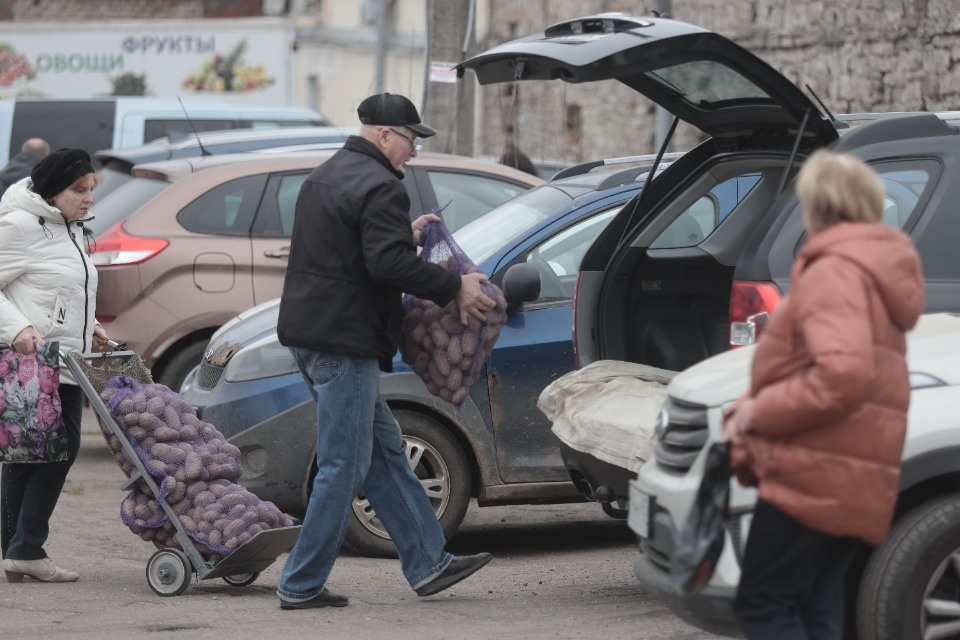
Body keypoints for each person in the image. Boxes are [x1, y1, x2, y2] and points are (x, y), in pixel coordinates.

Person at [274, 93, 494, 609]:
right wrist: (453, 287)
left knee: (385, 455)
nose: (414, 151)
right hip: (343, 342)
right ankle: (300, 583)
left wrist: (404, 234)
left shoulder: (327, 174)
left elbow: (352, 249)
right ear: (383, 135)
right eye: (411, 139)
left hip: (312, 334)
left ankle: (428, 563)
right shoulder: (379, 186)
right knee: (344, 465)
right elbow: (386, 268)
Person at [722, 150, 925, 639]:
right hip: (852, 470)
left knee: (764, 604)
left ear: (818, 202)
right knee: (815, 605)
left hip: (814, 472)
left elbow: (843, 374)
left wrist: (756, 413)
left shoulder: (837, 271)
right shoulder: (874, 268)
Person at [0, 148, 112, 583]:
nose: (88, 199)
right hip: (35, 361)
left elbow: (65, 291)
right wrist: (18, 328)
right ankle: (27, 548)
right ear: (51, 191)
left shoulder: (71, 228)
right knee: (59, 449)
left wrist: (94, 327)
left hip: (67, 357)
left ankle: (16, 550)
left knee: (29, 454)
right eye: (77, 190)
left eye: (91, 190)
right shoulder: (20, 227)